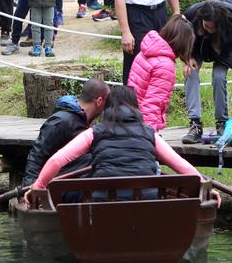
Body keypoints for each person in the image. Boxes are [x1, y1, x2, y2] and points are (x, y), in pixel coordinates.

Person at [31, 85, 202, 196]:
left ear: (107, 108)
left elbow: (57, 160)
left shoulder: (94, 132)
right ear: (135, 108)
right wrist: (203, 183)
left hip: (104, 202)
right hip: (146, 201)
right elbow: (183, 166)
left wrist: (38, 186)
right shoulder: (150, 134)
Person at [181, 0, 232, 144]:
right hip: (197, 47)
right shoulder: (191, 16)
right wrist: (187, 57)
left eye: (213, 27)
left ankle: (222, 123)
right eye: (206, 26)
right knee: (191, 73)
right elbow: (179, 36)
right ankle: (195, 124)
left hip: (224, 49)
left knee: (219, 76)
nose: (209, 30)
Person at [21, 77, 110, 189]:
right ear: (99, 101)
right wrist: (30, 187)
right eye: (108, 102)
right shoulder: (62, 121)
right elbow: (37, 155)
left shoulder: (86, 122)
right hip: (54, 185)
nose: (109, 107)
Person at [127, 12, 193, 131]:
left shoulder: (147, 50)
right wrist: (149, 135)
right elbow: (152, 103)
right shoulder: (165, 65)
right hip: (142, 125)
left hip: (130, 115)